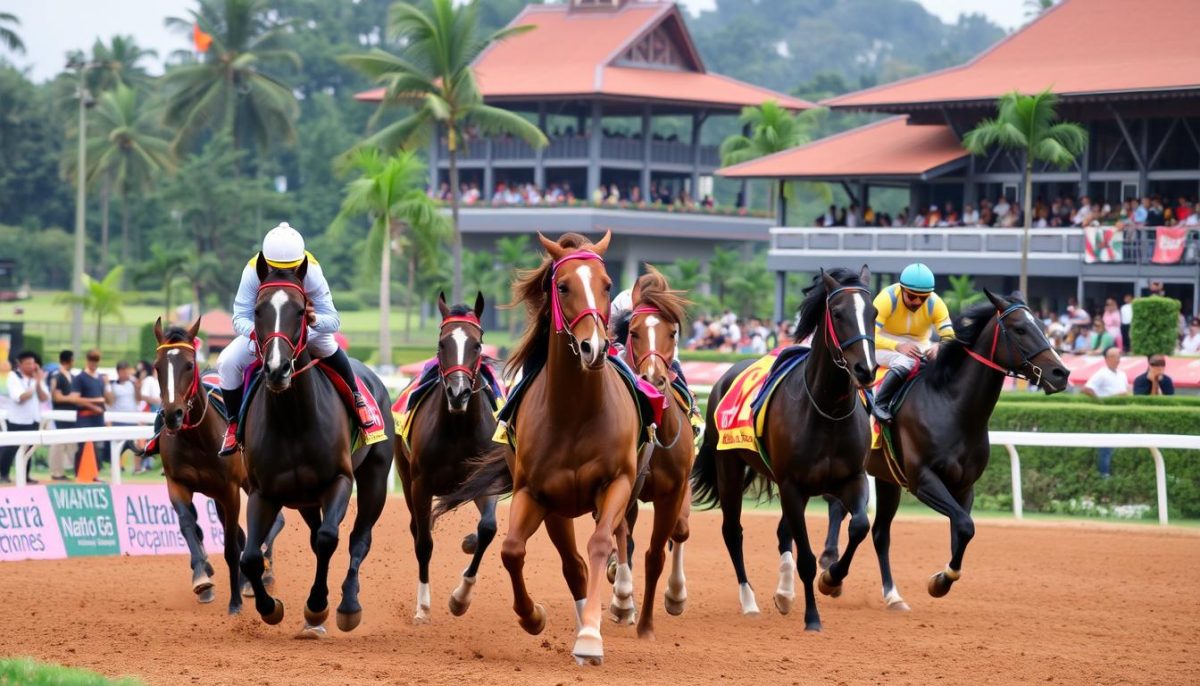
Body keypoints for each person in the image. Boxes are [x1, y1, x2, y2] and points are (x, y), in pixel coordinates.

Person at [217, 222, 375, 456]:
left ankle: (357, 399)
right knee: (227, 361)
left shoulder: (311, 270)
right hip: (263, 333)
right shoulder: (252, 271)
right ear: (265, 262)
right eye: (275, 267)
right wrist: (261, 336)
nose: (284, 272)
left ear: (299, 263)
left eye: (292, 268)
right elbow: (239, 317)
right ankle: (233, 424)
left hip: (301, 328)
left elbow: (333, 320)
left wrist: (314, 320)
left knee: (328, 345)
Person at [871, 263, 954, 423]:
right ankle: (880, 404)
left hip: (920, 344)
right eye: (911, 296)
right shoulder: (886, 298)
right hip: (882, 344)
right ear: (901, 289)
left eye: (923, 298)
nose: (917, 301)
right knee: (906, 361)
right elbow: (870, 335)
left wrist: (940, 346)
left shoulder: (936, 303)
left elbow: (949, 336)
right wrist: (897, 346)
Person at [1, 351, 48, 484]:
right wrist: (35, 384)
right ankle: (2, 473)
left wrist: (38, 382)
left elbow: (44, 398)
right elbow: (20, 398)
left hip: (33, 419)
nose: (31, 366)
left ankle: (25, 475)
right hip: (17, 419)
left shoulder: (36, 378)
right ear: (19, 364)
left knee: (29, 449)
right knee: (10, 448)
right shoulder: (13, 376)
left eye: (33, 363)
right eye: (27, 363)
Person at [1083, 346, 1127, 477]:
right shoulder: (1101, 373)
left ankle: (1117, 472)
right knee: (1106, 446)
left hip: (1120, 413)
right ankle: (1104, 474)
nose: (1118, 359)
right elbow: (1087, 388)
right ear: (1107, 359)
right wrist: (1103, 402)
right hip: (1107, 414)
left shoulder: (1122, 374)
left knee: (1118, 445)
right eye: (1115, 356)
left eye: (1119, 356)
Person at [47, 350, 88, 481]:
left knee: (69, 444)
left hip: (71, 415)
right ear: (70, 360)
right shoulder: (57, 375)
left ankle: (63, 470)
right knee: (58, 443)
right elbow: (56, 397)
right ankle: (56, 472)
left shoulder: (70, 375)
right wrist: (73, 398)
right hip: (61, 414)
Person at [72, 350, 112, 476]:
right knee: (83, 446)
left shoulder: (100, 378)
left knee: (97, 447)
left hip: (98, 418)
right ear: (87, 361)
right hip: (85, 417)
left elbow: (108, 400)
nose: (94, 364)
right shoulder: (80, 378)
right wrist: (94, 405)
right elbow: (76, 399)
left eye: (96, 361)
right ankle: (80, 473)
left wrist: (107, 385)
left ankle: (95, 473)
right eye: (91, 361)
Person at [108, 361, 141, 472]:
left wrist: (137, 387)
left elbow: (138, 399)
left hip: (132, 418)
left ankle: (137, 468)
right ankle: (117, 466)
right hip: (118, 419)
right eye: (123, 371)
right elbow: (110, 402)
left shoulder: (132, 384)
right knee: (118, 445)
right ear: (118, 372)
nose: (126, 373)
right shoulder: (113, 385)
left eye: (127, 370)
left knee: (135, 444)